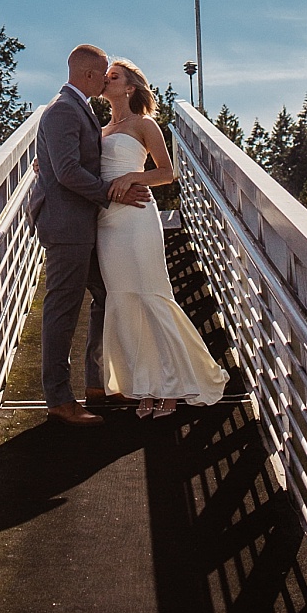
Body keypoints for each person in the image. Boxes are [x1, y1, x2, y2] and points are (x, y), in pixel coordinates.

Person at [96, 58, 227, 417]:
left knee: (152, 295)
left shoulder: (144, 123)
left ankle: (172, 389)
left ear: (130, 87)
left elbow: (168, 173)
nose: (106, 81)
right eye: (105, 77)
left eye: (114, 76)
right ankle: (145, 388)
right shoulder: (100, 130)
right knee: (123, 301)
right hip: (107, 222)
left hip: (137, 218)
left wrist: (132, 178)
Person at [29, 44, 151, 425]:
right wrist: (112, 193)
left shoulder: (75, 108)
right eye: (103, 75)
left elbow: (68, 160)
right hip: (67, 226)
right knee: (62, 311)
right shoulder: (64, 108)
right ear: (87, 76)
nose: (106, 80)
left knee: (104, 293)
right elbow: (66, 171)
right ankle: (60, 401)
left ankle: (97, 382)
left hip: (83, 223)